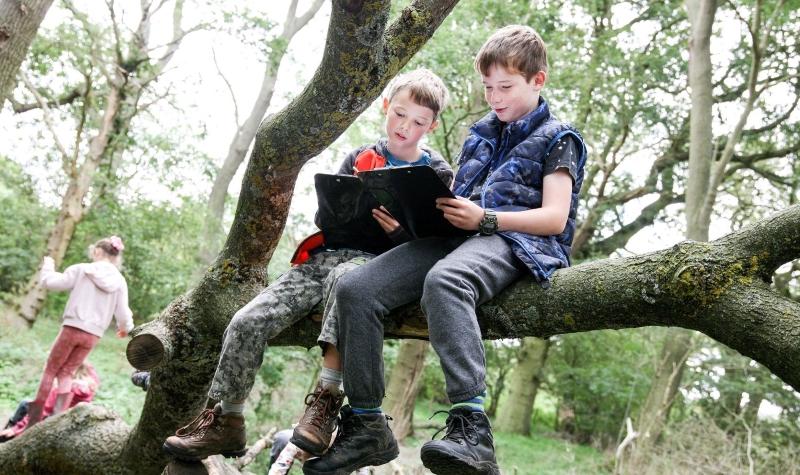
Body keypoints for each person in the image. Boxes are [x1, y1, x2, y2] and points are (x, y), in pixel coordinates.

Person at [303, 25, 587, 475]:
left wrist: (486, 219)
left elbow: (554, 217)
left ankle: (472, 427)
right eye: (488, 87)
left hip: (516, 240)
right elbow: (455, 200)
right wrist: (413, 216)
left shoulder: (560, 137)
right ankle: (367, 425)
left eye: (506, 87)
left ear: (538, 81)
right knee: (355, 288)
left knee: (446, 280)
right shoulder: (479, 134)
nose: (494, 97)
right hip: (457, 237)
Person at [162, 68, 454, 462]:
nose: (405, 126)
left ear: (431, 126)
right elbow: (329, 217)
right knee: (248, 319)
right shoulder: (360, 156)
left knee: (344, 280)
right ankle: (224, 420)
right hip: (326, 256)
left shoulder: (435, 173)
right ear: (386, 106)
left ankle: (325, 402)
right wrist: (338, 211)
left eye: (418, 121)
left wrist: (400, 232)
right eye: (399, 113)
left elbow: (430, 243)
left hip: (375, 267)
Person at [26, 236, 133, 427]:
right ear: (115, 257)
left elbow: (51, 283)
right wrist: (125, 329)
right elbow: (123, 312)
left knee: (51, 370)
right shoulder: (119, 281)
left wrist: (48, 266)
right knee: (67, 372)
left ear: (98, 252)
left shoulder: (82, 269)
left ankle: (33, 422)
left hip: (72, 327)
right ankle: (57, 422)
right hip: (93, 335)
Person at [0, 362, 99, 442]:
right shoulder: (88, 384)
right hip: (70, 419)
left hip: (54, 419)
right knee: (26, 402)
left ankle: (8, 435)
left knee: (24, 404)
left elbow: (43, 410)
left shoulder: (64, 387)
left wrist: (16, 429)